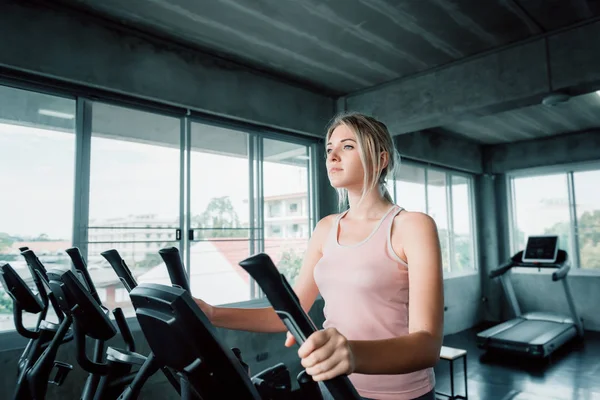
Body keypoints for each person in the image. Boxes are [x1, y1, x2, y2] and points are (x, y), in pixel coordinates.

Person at [194, 112, 444, 400]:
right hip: (334, 387)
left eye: (347, 146)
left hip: (401, 394)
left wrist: (351, 352)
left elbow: (427, 347)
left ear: (381, 159)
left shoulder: (412, 226)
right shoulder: (326, 228)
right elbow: (289, 316)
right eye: (329, 149)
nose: (332, 156)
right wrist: (212, 314)